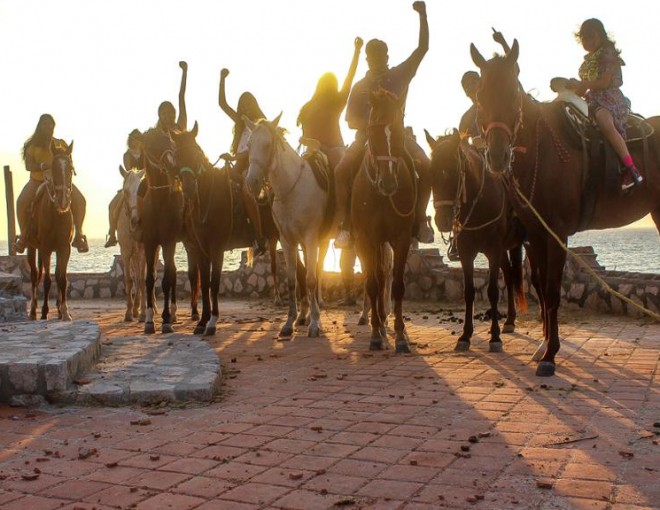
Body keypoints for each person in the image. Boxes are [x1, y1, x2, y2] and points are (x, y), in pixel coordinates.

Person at [334, 1, 432, 249]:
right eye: (371, 56)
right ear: (366, 58)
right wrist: (371, 126)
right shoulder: (359, 87)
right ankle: (345, 224)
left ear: (387, 56)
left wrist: (423, 16)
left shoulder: (400, 74)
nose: (375, 60)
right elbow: (349, 120)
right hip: (366, 138)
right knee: (341, 170)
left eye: (380, 56)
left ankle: (420, 219)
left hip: (397, 136)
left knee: (427, 165)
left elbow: (422, 49)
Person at [567, 18, 643, 191]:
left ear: (600, 36)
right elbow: (583, 90)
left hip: (609, 99)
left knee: (605, 123)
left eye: (591, 37)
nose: (588, 42)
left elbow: (604, 82)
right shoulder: (588, 61)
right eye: (584, 38)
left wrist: (583, 85)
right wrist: (570, 88)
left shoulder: (607, 54)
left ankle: (631, 168)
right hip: (591, 100)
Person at [14, 114, 89, 254]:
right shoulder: (32, 146)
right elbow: (28, 166)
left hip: (59, 182)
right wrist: (42, 166)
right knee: (21, 202)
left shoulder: (61, 143)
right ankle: (23, 236)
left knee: (80, 201)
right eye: (44, 124)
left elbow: (68, 162)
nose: (47, 127)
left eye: (50, 124)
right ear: (39, 126)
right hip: (38, 180)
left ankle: (79, 234)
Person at [218, 68, 269, 255]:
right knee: (216, 183)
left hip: (253, 165)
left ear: (254, 105)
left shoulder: (260, 125)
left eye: (248, 103)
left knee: (247, 192)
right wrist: (222, 79)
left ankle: (259, 236)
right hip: (238, 164)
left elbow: (252, 152)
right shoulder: (240, 122)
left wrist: (233, 157)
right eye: (242, 104)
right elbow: (222, 104)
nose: (245, 107)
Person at [297, 36, 363, 170]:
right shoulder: (336, 102)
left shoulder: (307, 106)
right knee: (343, 174)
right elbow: (349, 77)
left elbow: (304, 135)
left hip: (310, 152)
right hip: (333, 152)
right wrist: (357, 51)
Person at [104, 129, 144, 248]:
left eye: (138, 139)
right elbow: (128, 172)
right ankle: (112, 234)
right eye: (133, 139)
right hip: (131, 184)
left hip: (144, 184)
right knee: (112, 206)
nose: (135, 142)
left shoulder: (146, 153)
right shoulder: (127, 155)